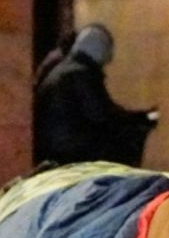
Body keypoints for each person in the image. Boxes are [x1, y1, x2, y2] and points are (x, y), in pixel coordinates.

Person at [33, 23, 158, 167]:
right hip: (72, 149)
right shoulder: (80, 74)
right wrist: (138, 120)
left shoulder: (66, 69)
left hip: (57, 145)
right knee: (126, 138)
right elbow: (102, 115)